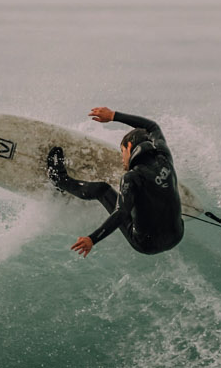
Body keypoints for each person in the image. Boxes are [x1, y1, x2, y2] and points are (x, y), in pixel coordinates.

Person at [48, 107, 185, 258]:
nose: (122, 159)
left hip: (145, 244)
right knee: (149, 195)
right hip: (177, 235)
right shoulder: (164, 156)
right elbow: (153, 127)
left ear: (130, 147)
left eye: (122, 152)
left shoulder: (132, 177)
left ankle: (60, 180)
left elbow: (121, 213)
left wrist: (92, 239)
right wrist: (113, 116)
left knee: (103, 190)